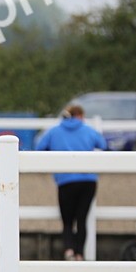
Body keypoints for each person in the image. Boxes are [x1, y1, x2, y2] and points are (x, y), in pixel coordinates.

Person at [34, 104, 108, 260]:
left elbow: (39, 147)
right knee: (82, 220)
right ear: (80, 116)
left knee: (67, 221)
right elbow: (103, 145)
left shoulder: (54, 132)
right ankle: (80, 254)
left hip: (65, 181)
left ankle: (68, 250)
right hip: (88, 181)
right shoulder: (88, 130)